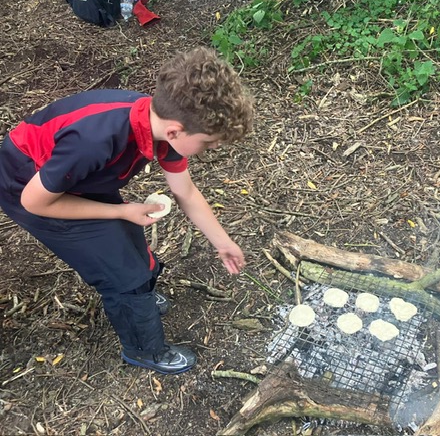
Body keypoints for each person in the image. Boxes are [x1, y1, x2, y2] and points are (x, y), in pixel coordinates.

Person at [0, 47, 254, 374]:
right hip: (28, 185)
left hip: (76, 178)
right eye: (208, 143)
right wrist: (119, 211)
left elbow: (185, 192)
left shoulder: (160, 125)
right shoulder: (96, 140)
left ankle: (141, 300)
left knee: (129, 236)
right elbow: (35, 202)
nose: (212, 149)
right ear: (177, 130)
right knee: (122, 273)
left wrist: (223, 242)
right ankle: (142, 349)